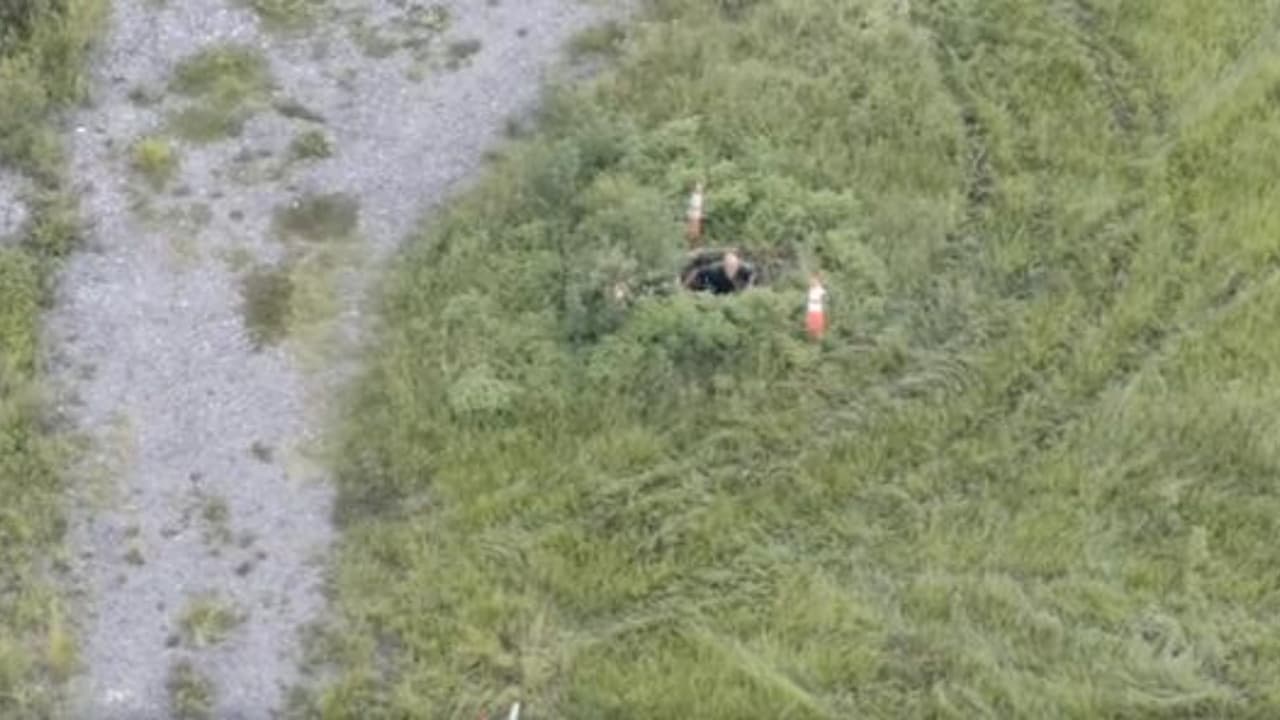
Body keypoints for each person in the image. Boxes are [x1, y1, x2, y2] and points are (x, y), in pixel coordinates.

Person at [681, 249, 756, 295]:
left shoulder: (745, 268)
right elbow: (697, 271)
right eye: (728, 266)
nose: (730, 269)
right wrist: (684, 287)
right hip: (716, 286)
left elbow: (752, 274)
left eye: (733, 267)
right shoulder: (714, 269)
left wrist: (749, 287)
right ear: (724, 265)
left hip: (732, 288)